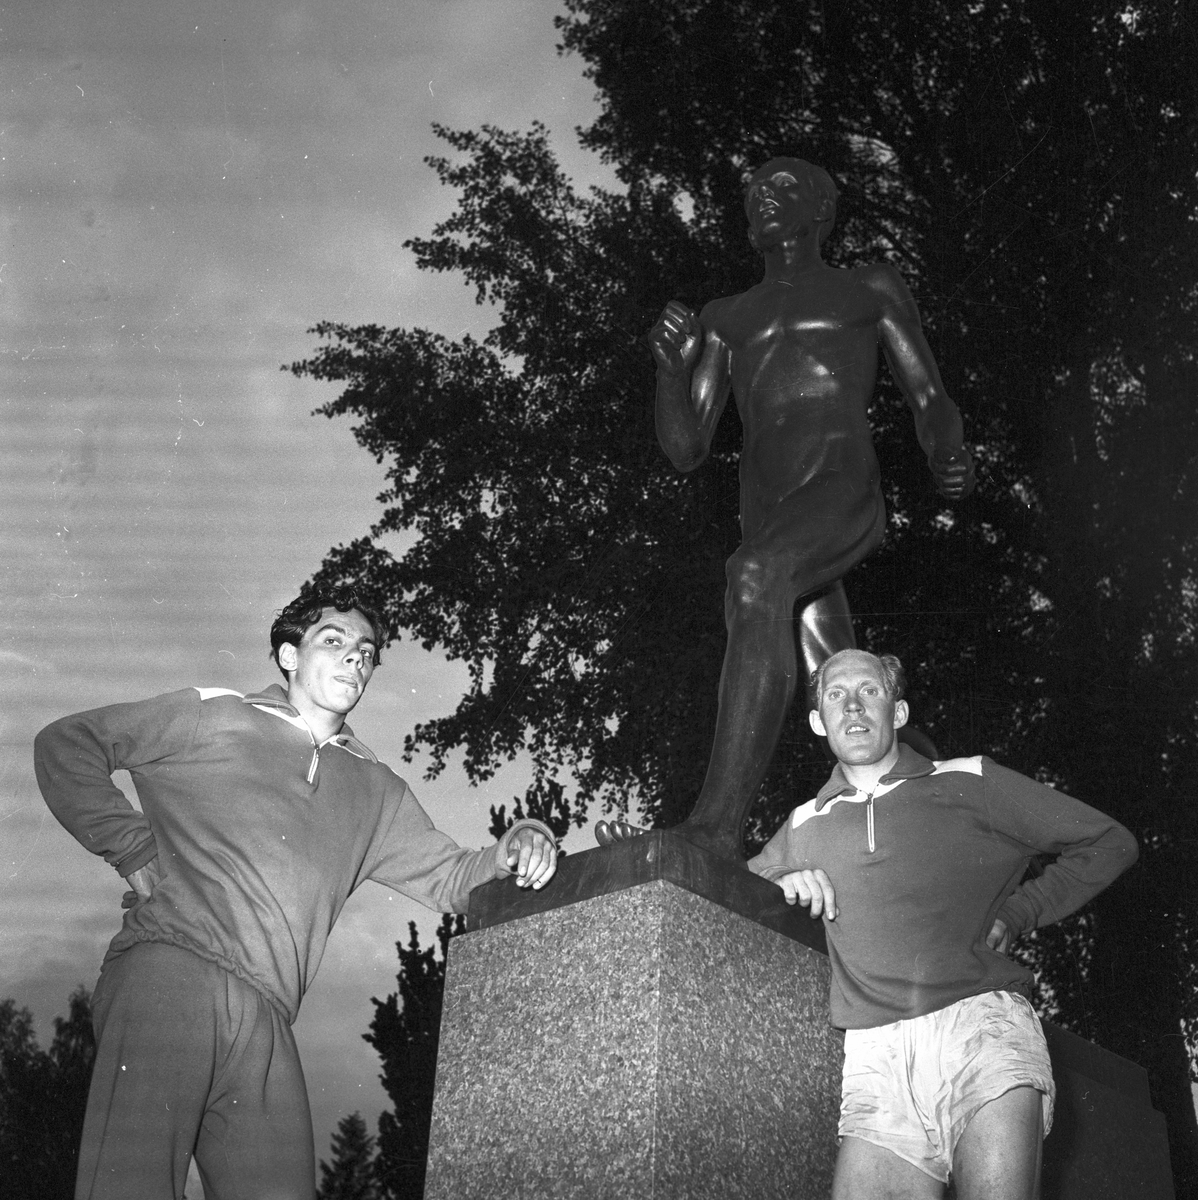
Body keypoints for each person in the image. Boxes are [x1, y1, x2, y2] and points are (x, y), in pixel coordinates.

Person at [34, 586, 558, 1200]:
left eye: (367, 651)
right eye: (333, 641)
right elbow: (67, 743)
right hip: (170, 972)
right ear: (289, 655)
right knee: (131, 1182)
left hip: (269, 1015)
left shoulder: (378, 791)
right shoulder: (215, 713)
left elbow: (453, 878)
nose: (355, 657)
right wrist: (132, 850)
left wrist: (521, 839)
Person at [602, 156, 975, 860]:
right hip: (768, 510)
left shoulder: (867, 287)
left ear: (821, 209)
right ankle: (931, 792)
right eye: (753, 192)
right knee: (833, 673)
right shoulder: (726, 317)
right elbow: (685, 447)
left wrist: (946, 450)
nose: (761, 198)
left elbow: (928, 395)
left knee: (757, 576)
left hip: (840, 487)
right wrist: (670, 373)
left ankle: (713, 829)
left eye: (781, 188)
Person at [748, 648, 1138, 1199]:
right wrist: (783, 875)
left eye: (870, 690)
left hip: (981, 1029)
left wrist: (1018, 911)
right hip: (875, 1055)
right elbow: (740, 882)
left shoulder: (970, 779)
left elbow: (1108, 843)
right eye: (836, 695)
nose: (853, 705)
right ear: (818, 721)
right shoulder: (803, 823)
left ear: (898, 712)